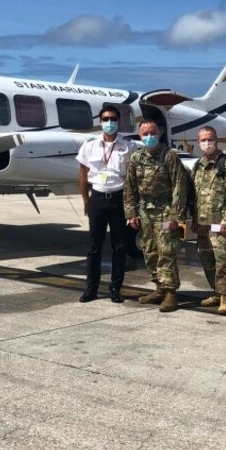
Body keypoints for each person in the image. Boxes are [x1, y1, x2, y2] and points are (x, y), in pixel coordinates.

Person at [123, 120, 188, 313]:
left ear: (159, 133)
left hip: (166, 209)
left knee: (166, 251)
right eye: (144, 134)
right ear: (140, 136)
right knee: (149, 251)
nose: (149, 137)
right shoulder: (136, 158)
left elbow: (179, 186)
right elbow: (130, 187)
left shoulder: (169, 157)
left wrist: (177, 214)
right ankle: (159, 287)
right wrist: (131, 212)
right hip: (146, 211)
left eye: (152, 132)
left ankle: (170, 293)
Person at [75, 103, 134, 303]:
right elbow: (83, 175)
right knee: (94, 247)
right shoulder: (89, 146)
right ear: (100, 122)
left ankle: (116, 288)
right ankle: (91, 288)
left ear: (119, 121)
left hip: (119, 199)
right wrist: (85, 200)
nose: (109, 123)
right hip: (98, 198)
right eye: (106, 119)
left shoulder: (128, 146)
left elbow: (133, 177)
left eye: (113, 119)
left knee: (119, 247)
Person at [191, 126, 226, 316]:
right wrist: (195, 219)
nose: (207, 143)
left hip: (221, 224)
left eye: (210, 139)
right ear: (198, 143)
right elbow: (194, 195)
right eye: (203, 140)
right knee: (207, 260)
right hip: (203, 224)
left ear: (216, 140)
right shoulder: (198, 165)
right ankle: (215, 291)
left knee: (224, 261)